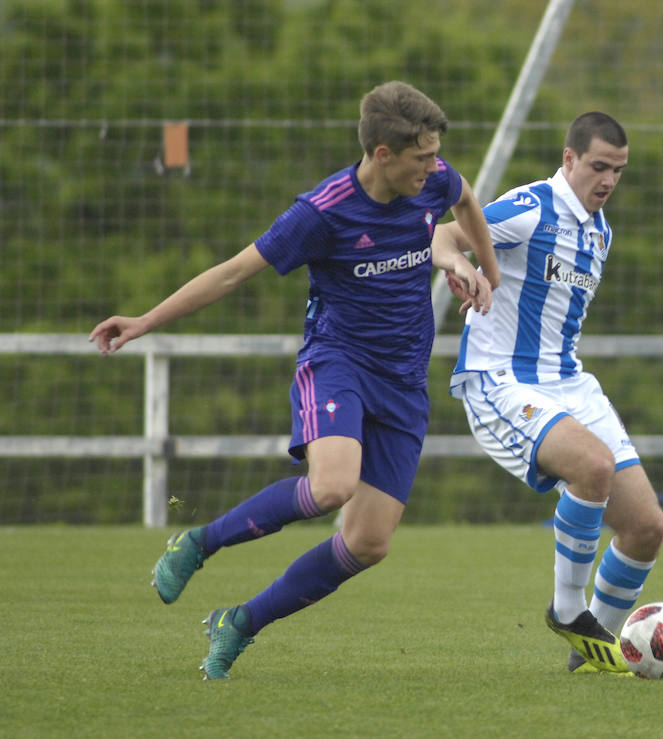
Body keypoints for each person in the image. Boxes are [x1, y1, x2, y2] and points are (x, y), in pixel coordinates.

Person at [90, 81, 500, 679]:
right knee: (332, 485)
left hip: (405, 381)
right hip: (338, 363)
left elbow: (465, 200)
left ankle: (240, 623)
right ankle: (198, 543)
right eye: (421, 157)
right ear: (382, 153)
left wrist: (487, 272)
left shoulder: (432, 180)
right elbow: (232, 274)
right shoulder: (322, 212)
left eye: (436, 155)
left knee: (369, 544)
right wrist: (145, 321)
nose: (433, 168)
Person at [434, 112, 663, 674]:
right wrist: (456, 264)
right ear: (569, 160)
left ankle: (588, 660)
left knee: (646, 528)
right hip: (502, 378)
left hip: (569, 382)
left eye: (618, 170)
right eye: (598, 166)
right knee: (591, 465)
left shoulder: (600, 229)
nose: (608, 179)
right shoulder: (533, 206)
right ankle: (568, 608)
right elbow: (444, 232)